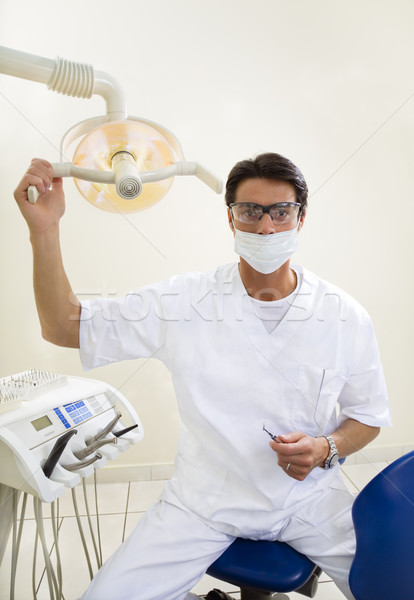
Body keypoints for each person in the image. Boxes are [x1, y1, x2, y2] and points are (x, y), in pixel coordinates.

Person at [14, 153, 391, 600]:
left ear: (300, 219)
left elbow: (367, 417)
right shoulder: (184, 302)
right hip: (202, 504)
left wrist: (328, 446)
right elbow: (62, 325)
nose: (266, 227)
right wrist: (45, 228)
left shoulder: (344, 315)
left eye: (280, 212)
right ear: (230, 219)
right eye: (250, 212)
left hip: (308, 501)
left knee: (393, 585)